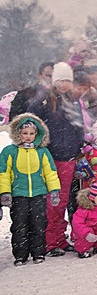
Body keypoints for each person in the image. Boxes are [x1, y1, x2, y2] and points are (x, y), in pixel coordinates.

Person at [28, 62, 88, 257]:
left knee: (61, 200)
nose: (63, 85)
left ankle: (60, 238)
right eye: (60, 80)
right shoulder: (44, 101)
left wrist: (79, 144)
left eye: (67, 81)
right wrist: (40, 145)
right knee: (51, 200)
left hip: (68, 156)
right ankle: (49, 241)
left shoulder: (73, 101)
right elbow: (30, 122)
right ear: (54, 81)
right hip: (49, 156)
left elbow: (79, 126)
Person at [0, 114, 61, 265]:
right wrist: (5, 192)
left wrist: (54, 191)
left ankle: (38, 252)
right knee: (19, 224)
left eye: (31, 133)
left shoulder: (42, 152)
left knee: (38, 223)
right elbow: (3, 174)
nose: (28, 136)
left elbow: (50, 173)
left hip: (38, 194)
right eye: (25, 133)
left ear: (37, 134)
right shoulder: (10, 152)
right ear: (18, 133)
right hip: (18, 194)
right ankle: (20, 254)